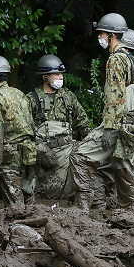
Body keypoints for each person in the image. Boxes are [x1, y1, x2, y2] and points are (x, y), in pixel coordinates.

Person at [69, 12, 134, 212]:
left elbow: (115, 96)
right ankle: (131, 212)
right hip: (131, 122)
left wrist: (110, 128)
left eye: (102, 33)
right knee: (124, 165)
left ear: (111, 36)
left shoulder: (115, 60)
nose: (99, 37)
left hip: (117, 122)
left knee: (79, 156)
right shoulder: (131, 59)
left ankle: (82, 208)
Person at [24, 54, 92, 199]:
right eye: (56, 74)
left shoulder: (68, 96)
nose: (61, 77)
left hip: (68, 150)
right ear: (45, 77)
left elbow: (83, 123)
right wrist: (39, 149)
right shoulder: (31, 99)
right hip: (45, 155)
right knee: (47, 194)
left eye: (61, 74)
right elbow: (24, 131)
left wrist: (91, 144)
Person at [0, 55, 37, 208]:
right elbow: (31, 124)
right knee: (29, 199)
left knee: (14, 204)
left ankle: (19, 221)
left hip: (10, 156)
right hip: (29, 152)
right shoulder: (19, 94)